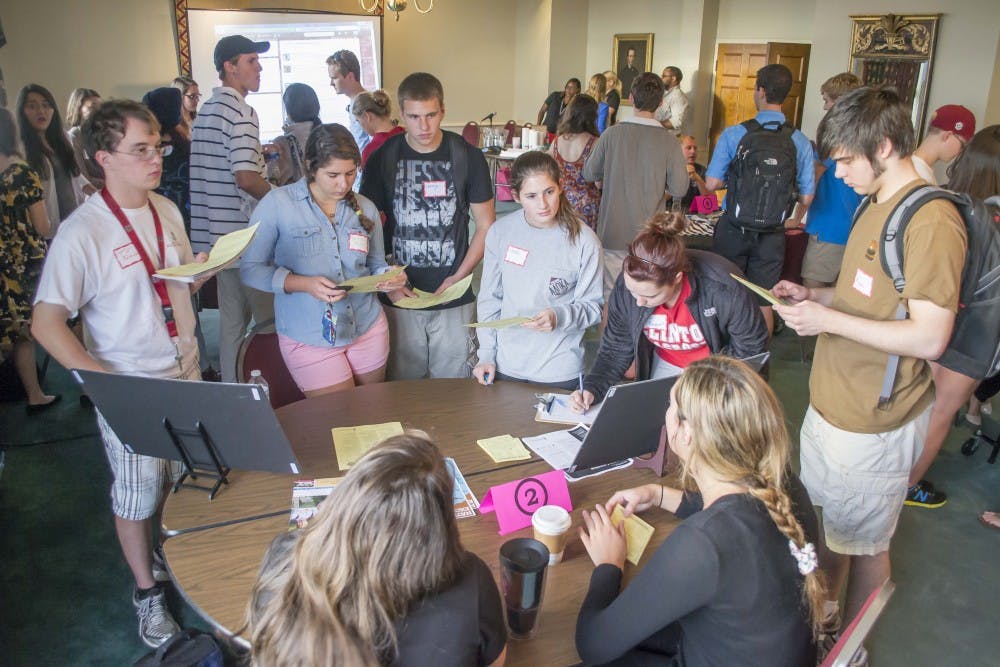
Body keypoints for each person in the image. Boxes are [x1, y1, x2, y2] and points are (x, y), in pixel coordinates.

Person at [772, 87, 967, 662]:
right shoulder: (874, 200)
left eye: (846, 159)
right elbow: (872, 299)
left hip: (873, 425)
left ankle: (847, 648)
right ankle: (825, 628)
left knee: (864, 543)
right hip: (835, 407)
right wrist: (814, 293)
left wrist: (826, 317)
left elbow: (931, 335)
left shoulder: (930, 220)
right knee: (830, 534)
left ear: (883, 147)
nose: (837, 171)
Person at [31, 99, 209, 648]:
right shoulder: (83, 231)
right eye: (141, 150)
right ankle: (146, 593)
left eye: (158, 147)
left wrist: (197, 274)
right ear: (103, 157)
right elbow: (46, 323)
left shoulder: (166, 210)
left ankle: (181, 563)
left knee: (190, 483)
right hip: (130, 384)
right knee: (137, 498)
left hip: (186, 371)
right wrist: (100, 384)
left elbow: (168, 284)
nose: (156, 158)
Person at [575, 356, 820, 665]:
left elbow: (592, 644)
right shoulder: (784, 485)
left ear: (686, 432)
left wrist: (608, 565)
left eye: (671, 405)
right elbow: (738, 519)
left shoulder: (703, 544)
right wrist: (661, 494)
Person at [248, 432, 507, 667]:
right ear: (442, 523)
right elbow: (496, 661)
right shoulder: (472, 580)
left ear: (347, 495)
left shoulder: (282, 560)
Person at [241, 124, 406, 396]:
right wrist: (302, 283)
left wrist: (390, 275)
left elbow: (375, 263)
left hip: (367, 326)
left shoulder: (365, 207)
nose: (343, 184)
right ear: (310, 167)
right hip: (309, 335)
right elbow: (250, 270)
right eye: (333, 175)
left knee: (373, 412)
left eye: (351, 173)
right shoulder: (278, 204)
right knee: (338, 420)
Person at [360, 72, 495, 380]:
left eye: (431, 115)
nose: (423, 127)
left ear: (443, 111)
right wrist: (389, 281)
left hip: (453, 295)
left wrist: (460, 276)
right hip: (400, 295)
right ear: (401, 115)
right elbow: (364, 227)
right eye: (414, 117)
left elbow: (486, 225)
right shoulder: (383, 158)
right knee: (401, 389)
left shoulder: (467, 156)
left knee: (452, 390)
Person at [569, 212, 768, 412]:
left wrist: (712, 393)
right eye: (632, 291)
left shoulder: (722, 287)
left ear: (677, 278)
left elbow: (749, 350)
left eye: (650, 296)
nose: (639, 301)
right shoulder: (628, 285)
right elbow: (614, 350)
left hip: (717, 370)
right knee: (657, 423)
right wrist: (592, 388)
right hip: (667, 363)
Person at [904, 123, 1000, 509]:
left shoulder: (948, 205)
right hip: (978, 331)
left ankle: (892, 475)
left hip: (933, 313)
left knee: (916, 400)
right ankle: (908, 486)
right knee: (942, 411)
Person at [473, 151, 602, 389]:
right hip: (506, 363)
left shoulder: (585, 240)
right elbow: (490, 298)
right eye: (531, 196)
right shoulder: (501, 232)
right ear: (515, 196)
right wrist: (487, 354)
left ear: (560, 187)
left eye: (549, 192)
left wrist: (559, 316)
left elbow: (593, 308)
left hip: (560, 367)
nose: (543, 204)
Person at [704, 64, 816, 336]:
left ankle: (722, 353)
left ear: (761, 91)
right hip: (773, 234)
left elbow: (711, 184)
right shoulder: (799, 141)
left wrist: (738, 180)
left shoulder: (735, 134)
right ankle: (759, 361)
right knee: (764, 300)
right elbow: (807, 195)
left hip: (733, 227)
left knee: (723, 294)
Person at [189, 34, 275, 383]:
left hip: (220, 241)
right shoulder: (242, 111)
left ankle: (232, 391)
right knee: (270, 323)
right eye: (252, 60)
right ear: (230, 66)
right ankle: (275, 392)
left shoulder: (206, 111)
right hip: (248, 240)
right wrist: (281, 199)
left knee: (231, 326)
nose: (259, 68)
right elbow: (245, 178)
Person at [583, 72, 688, 298]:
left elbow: (589, 172)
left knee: (611, 300)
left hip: (613, 231)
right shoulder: (670, 141)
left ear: (631, 97)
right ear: (660, 102)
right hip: (650, 238)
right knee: (647, 300)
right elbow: (680, 189)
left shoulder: (611, 134)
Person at [0, 107, 58, 413]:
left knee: (15, 331)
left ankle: (33, 393)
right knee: (62, 320)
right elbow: (43, 226)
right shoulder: (22, 174)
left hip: (2, 268)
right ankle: (89, 385)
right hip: (27, 263)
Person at [800, 73, 863, 289]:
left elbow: (815, 176)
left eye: (827, 100)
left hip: (828, 225)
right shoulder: (863, 133)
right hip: (856, 227)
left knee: (812, 287)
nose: (825, 107)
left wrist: (796, 215)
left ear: (840, 102)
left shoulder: (835, 133)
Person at [16, 84, 88, 237]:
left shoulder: (62, 138)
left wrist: (94, 191)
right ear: (23, 111)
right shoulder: (20, 149)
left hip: (74, 221)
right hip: (46, 230)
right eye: (32, 106)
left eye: (46, 105)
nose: (41, 111)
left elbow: (73, 173)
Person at [550, 94, 601, 232]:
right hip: (587, 206)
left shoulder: (557, 141)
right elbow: (599, 182)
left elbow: (549, 173)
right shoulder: (595, 143)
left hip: (562, 203)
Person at [267, 83, 321, 186]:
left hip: (294, 200)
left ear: (288, 110)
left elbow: (273, 179)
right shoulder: (327, 135)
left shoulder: (281, 143)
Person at [910, 104, 976, 184]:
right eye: (962, 145)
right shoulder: (920, 175)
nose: (961, 151)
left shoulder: (913, 166)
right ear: (947, 136)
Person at [327, 49, 370, 155]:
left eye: (335, 78)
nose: (331, 83)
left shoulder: (366, 104)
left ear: (350, 76)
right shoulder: (354, 102)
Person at [351, 89, 403, 169]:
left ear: (367, 116)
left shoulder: (370, 151)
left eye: (358, 121)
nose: (360, 126)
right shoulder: (408, 135)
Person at [65, 87, 103, 188]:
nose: (99, 112)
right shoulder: (73, 138)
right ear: (78, 110)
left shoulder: (104, 135)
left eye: (101, 107)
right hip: (92, 197)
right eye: (92, 107)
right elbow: (84, 180)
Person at [655, 66, 689, 136]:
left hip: (668, 138)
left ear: (673, 78)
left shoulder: (678, 96)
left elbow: (676, 122)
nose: (661, 78)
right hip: (658, 135)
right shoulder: (664, 93)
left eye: (664, 76)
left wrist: (654, 124)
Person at [678, 135, 710, 210]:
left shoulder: (702, 170)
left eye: (695, 148)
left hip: (695, 216)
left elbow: (710, 203)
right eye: (689, 148)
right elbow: (659, 199)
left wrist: (697, 179)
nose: (693, 151)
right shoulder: (668, 168)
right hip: (671, 215)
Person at [171, 75, 200, 142]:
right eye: (192, 96)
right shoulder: (173, 125)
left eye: (198, 96)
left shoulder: (200, 119)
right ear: (179, 97)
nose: (197, 100)